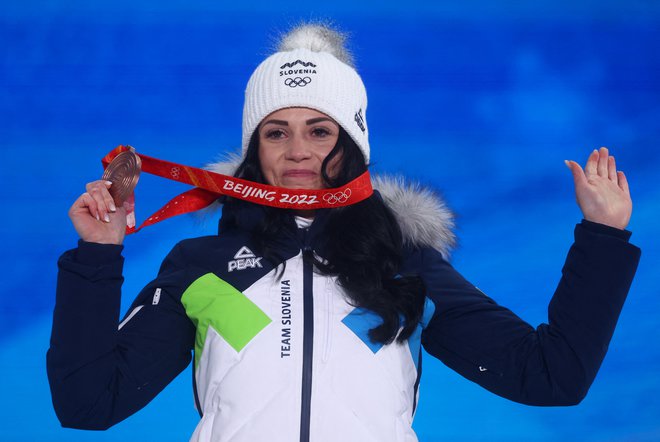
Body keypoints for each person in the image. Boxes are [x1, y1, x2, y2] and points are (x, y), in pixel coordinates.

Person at [48, 23, 641, 442]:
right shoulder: (203, 263)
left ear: (352, 143)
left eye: (319, 131)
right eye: (276, 132)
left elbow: (551, 376)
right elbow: (88, 403)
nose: (298, 151)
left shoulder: (402, 264)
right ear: (255, 148)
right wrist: (97, 256)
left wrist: (603, 237)